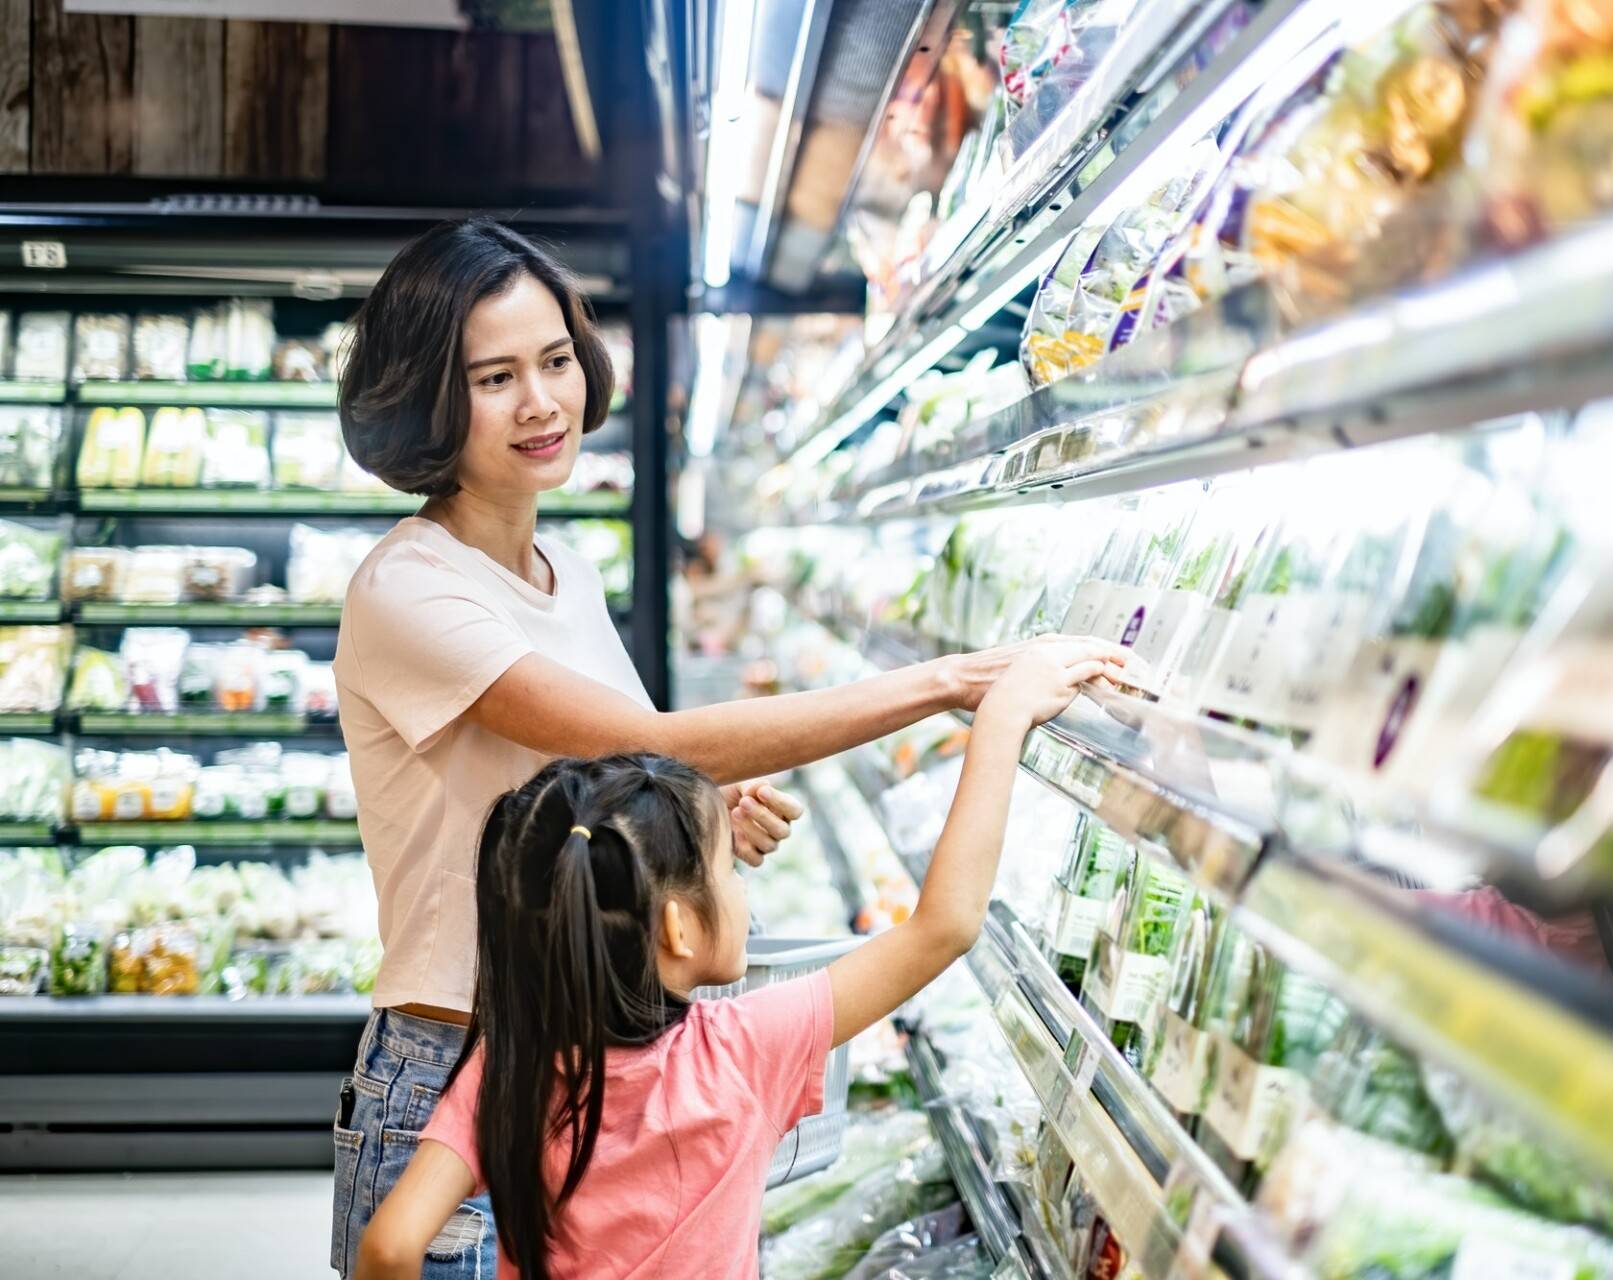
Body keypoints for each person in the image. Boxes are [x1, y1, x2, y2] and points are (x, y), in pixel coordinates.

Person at [328, 215, 1128, 1277]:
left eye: (557, 359)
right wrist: (948, 681)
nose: (541, 402)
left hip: (577, 1050)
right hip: (460, 1056)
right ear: (428, 396)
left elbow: (611, 778)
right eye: (493, 377)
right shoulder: (409, 586)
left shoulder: (559, 568)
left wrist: (687, 820)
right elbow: (648, 737)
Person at [352, 646, 1107, 1280]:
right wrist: (1002, 718)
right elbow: (944, 925)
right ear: (678, 929)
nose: (740, 887)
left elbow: (388, 1246)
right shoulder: (745, 1049)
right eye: (727, 869)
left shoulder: (509, 1067)